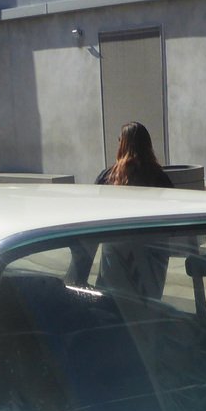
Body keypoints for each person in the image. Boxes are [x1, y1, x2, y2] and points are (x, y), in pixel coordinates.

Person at [84, 121, 174, 296]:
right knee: (149, 301)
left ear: (122, 144)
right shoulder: (159, 178)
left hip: (116, 248)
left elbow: (93, 215)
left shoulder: (108, 177)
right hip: (153, 250)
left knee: (113, 299)